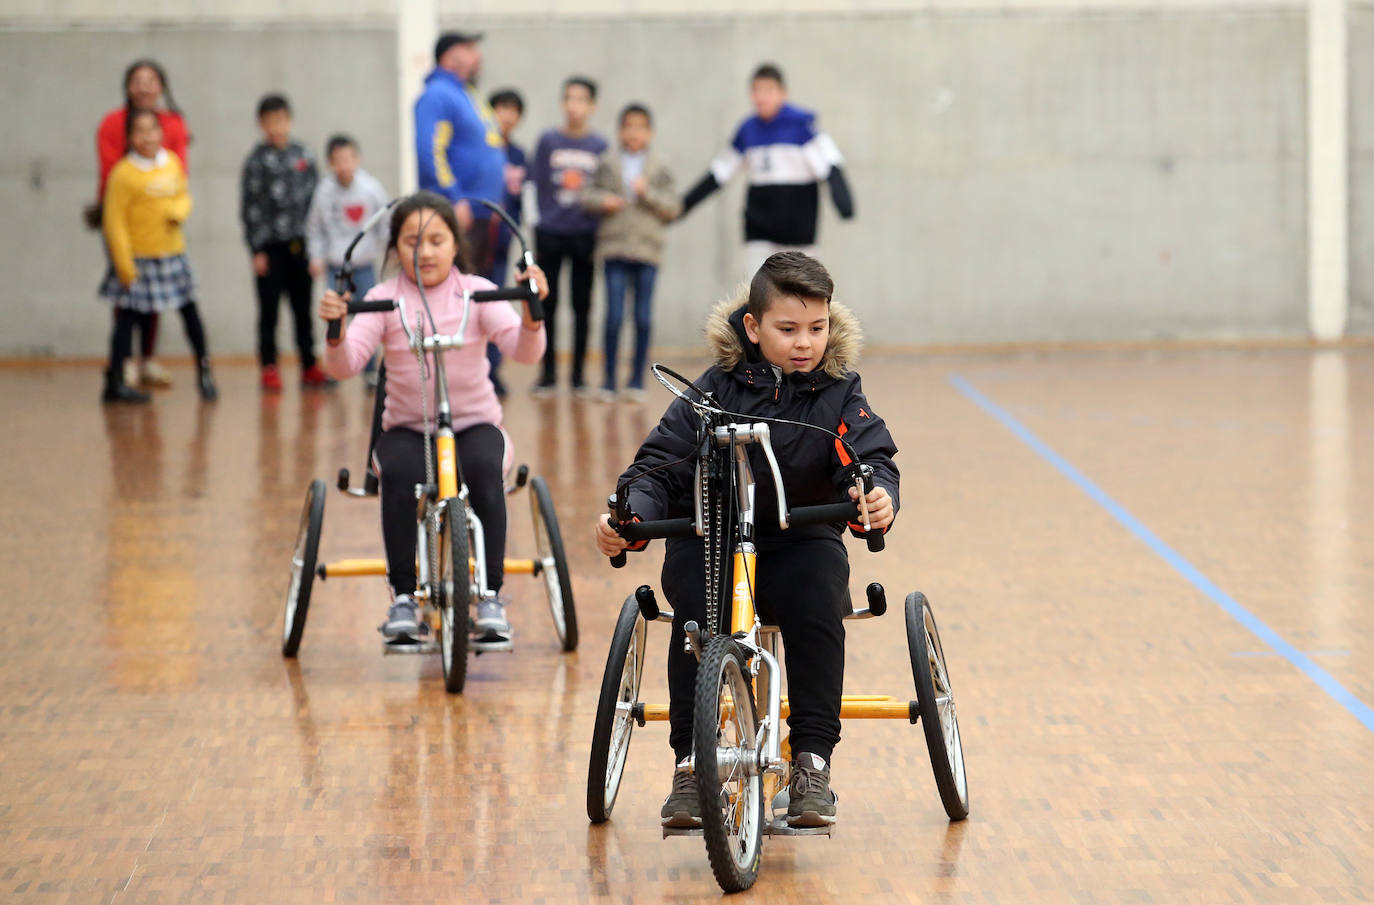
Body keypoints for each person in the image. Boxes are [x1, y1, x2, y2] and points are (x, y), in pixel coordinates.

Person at [593, 252, 898, 828]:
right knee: (697, 610)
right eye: (788, 329)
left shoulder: (838, 393)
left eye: (817, 327)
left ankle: (811, 762)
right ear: (753, 328)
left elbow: (869, 458)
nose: (805, 342)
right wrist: (628, 517)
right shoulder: (710, 393)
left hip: (798, 541)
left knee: (818, 592)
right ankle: (690, 765)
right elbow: (659, 467)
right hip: (712, 539)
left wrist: (874, 495)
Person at [319, 191, 550, 644]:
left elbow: (526, 354)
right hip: (408, 429)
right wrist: (337, 330)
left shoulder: (478, 293)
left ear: (454, 245)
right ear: (395, 248)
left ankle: (490, 596)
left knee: (485, 470)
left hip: (474, 423)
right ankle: (403, 598)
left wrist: (531, 316)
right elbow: (344, 366)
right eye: (411, 241)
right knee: (400, 474)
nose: (424, 251)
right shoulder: (384, 298)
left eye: (436, 240)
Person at [679, 64, 855, 274]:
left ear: (783, 93)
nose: (762, 97)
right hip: (760, 229)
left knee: (801, 295)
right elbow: (720, 172)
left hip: (798, 232)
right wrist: (683, 205)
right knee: (759, 292)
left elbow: (831, 165)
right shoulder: (748, 131)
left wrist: (844, 204)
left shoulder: (802, 128)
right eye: (756, 90)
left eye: (769, 90)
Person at [99, 109, 216, 403]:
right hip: (138, 258)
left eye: (152, 130)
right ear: (130, 136)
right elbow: (114, 223)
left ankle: (204, 371)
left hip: (172, 255)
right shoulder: (123, 174)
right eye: (139, 131)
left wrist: (179, 212)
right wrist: (124, 266)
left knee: (191, 315)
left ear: (160, 133)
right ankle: (115, 380)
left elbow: (182, 194)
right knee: (126, 321)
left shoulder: (172, 163)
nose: (147, 137)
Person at [91, 59, 192, 391]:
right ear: (127, 85)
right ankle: (122, 364)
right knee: (128, 291)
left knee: (155, 298)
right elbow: (110, 174)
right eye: (137, 80)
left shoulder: (175, 123)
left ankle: (146, 359)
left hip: (160, 226)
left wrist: (174, 209)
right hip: (124, 220)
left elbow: (179, 174)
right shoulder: (112, 123)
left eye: (151, 80)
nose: (144, 86)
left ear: (161, 86)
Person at [580, 103, 680, 402]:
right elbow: (586, 195)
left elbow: (673, 206)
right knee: (612, 317)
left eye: (640, 127)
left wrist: (646, 192)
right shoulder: (608, 161)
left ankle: (637, 379)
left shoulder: (659, 166)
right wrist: (604, 201)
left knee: (643, 318)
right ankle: (609, 380)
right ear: (620, 130)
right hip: (614, 248)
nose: (634, 133)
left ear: (649, 132)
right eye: (628, 126)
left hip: (648, 251)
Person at [240, 93, 325, 391]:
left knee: (303, 310)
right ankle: (269, 367)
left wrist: (318, 249)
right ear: (261, 125)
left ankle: (309, 365)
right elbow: (250, 208)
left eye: (280, 120)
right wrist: (257, 249)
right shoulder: (256, 160)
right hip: (271, 249)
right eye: (269, 122)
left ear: (289, 120)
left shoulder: (304, 154)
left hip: (301, 247)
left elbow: (318, 203)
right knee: (269, 311)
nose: (276, 127)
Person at [529, 76, 608, 396]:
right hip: (550, 232)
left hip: (585, 234)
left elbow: (605, 191)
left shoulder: (600, 146)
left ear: (592, 106)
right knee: (547, 303)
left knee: (582, 305)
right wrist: (537, 222)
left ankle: (577, 376)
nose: (574, 106)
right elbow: (532, 184)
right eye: (569, 99)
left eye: (580, 100)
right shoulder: (548, 140)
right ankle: (547, 374)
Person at [414, 31, 505, 276]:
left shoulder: (467, 93)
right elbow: (430, 152)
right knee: (456, 291)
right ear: (449, 57)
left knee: (477, 289)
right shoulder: (438, 94)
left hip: (481, 210)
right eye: (470, 49)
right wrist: (453, 198)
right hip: (458, 211)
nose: (479, 56)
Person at [306, 134, 390, 387]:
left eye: (349, 158)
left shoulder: (371, 188)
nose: (344, 165)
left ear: (358, 159)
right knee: (334, 315)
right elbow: (315, 228)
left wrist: (389, 250)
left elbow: (384, 224)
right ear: (330, 163)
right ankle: (334, 368)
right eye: (338, 160)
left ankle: (370, 371)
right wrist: (316, 257)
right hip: (336, 267)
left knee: (370, 316)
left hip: (364, 265)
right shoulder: (324, 192)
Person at [484, 87, 530, 398]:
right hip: (472, 244)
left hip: (501, 245)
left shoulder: (519, 155)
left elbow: (522, 201)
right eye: (502, 108)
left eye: (514, 110)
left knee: (496, 306)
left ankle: (493, 370)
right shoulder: (478, 150)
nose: (507, 115)